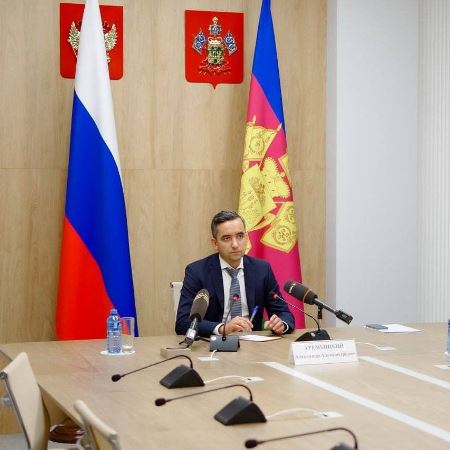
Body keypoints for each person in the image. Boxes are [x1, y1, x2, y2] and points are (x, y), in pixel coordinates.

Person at [175, 210, 295, 337]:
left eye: (240, 236)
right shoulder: (197, 272)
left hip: (253, 343)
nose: (235, 244)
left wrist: (281, 324)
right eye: (226, 238)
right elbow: (183, 322)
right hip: (214, 344)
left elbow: (284, 313)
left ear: (246, 238)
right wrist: (222, 329)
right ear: (215, 243)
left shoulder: (262, 269)